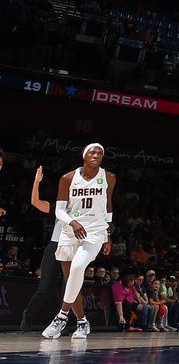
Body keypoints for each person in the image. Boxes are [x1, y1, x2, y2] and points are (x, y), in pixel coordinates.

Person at [42, 143, 115, 340]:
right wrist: (73, 222)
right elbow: (58, 210)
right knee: (71, 281)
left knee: (77, 268)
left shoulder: (108, 177)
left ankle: (61, 316)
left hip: (94, 231)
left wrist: (108, 234)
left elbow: (108, 206)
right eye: (93, 152)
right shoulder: (67, 178)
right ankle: (82, 322)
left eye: (100, 153)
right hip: (69, 231)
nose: (97, 155)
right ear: (84, 155)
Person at [20, 165, 66, 333]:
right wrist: (36, 182)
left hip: (74, 249)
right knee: (45, 287)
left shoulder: (86, 209)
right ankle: (28, 314)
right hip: (54, 247)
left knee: (68, 289)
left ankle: (62, 322)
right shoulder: (59, 207)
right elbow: (35, 202)